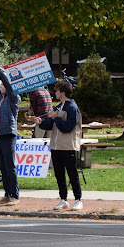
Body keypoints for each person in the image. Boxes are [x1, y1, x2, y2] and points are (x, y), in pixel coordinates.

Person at [34, 79, 83, 211]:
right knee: (59, 174)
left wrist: (56, 118)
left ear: (62, 93)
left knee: (72, 174)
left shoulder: (72, 108)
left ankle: (78, 199)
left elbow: (68, 127)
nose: (54, 93)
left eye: (56, 91)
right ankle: (63, 199)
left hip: (68, 146)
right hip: (56, 147)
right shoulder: (58, 107)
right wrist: (41, 122)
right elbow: (51, 124)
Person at [0, 62, 21, 205]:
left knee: (9, 166)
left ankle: (14, 195)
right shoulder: (1, 98)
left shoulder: (14, 98)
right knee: (2, 166)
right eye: (0, 85)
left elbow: (8, 84)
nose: (1, 86)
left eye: (3, 85)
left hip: (8, 135)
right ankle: (7, 193)